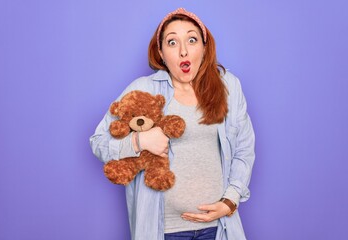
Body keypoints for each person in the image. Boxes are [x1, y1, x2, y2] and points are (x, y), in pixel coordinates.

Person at [90, 8, 255, 240]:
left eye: (191, 39)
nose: (183, 51)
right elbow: (98, 142)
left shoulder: (228, 87)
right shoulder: (144, 89)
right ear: (161, 53)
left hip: (218, 228)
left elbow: (244, 149)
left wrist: (230, 200)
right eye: (172, 43)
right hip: (164, 231)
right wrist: (140, 141)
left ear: (205, 47)